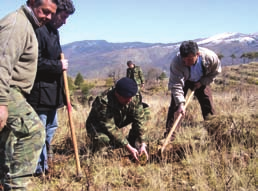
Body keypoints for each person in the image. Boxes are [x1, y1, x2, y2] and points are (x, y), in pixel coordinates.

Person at [0, 0, 57, 190]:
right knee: (34, 131)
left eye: (51, 14)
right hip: (7, 91)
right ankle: (17, 186)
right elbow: (2, 63)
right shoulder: (17, 24)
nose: (48, 17)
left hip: (15, 93)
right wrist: (1, 103)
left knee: (9, 141)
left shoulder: (28, 25)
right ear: (32, 2)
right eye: (45, 11)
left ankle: (6, 181)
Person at [26, 0, 75, 175]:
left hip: (53, 94)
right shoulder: (38, 31)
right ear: (54, 13)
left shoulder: (54, 32)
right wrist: (59, 65)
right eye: (63, 17)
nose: (65, 21)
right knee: (39, 132)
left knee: (50, 129)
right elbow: (35, 63)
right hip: (39, 94)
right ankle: (38, 169)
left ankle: (44, 163)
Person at [164, 40, 221, 140]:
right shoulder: (177, 62)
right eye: (184, 60)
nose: (187, 63)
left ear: (197, 54)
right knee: (175, 106)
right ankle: (170, 137)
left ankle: (215, 135)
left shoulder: (210, 58)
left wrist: (203, 82)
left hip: (201, 80)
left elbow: (215, 73)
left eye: (190, 60)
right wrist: (181, 104)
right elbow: (176, 84)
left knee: (207, 104)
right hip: (184, 81)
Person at [86, 77, 150, 161]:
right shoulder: (104, 102)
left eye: (131, 97)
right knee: (104, 140)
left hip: (119, 119)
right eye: (126, 97)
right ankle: (105, 148)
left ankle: (133, 140)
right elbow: (111, 128)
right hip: (98, 125)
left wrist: (143, 143)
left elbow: (140, 119)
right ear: (117, 94)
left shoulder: (133, 95)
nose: (130, 100)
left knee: (145, 111)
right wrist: (128, 147)